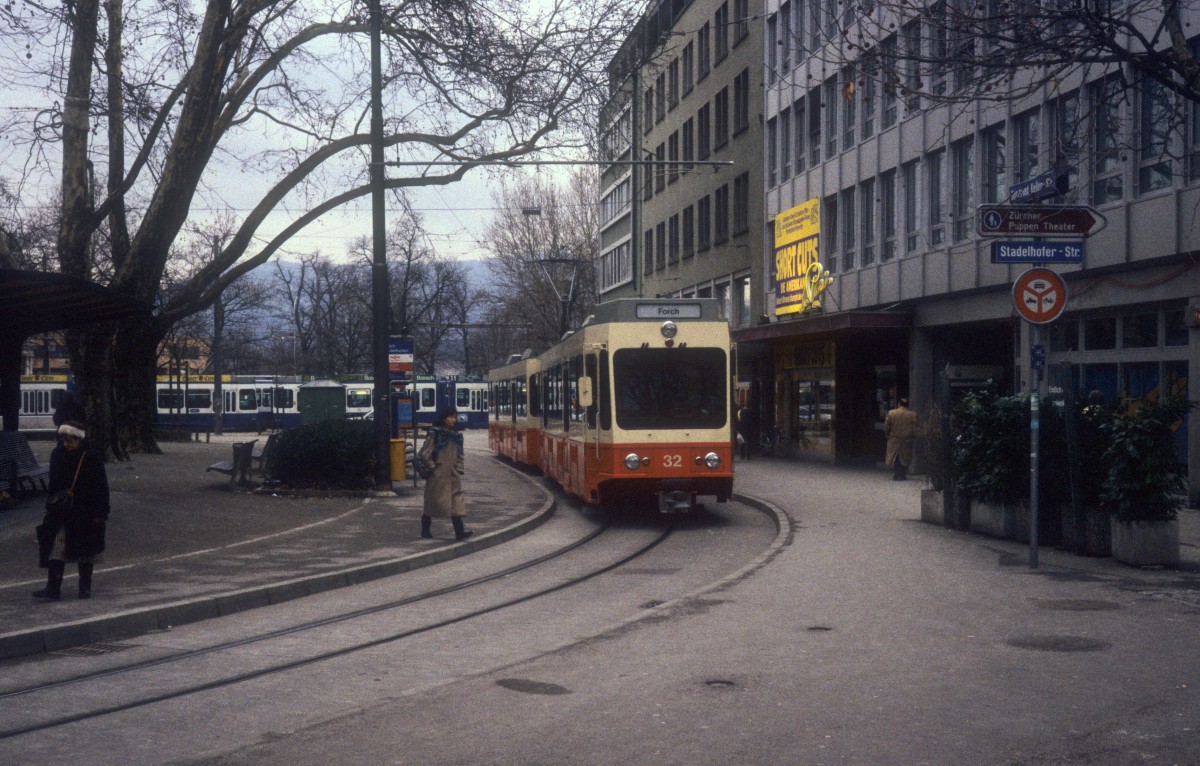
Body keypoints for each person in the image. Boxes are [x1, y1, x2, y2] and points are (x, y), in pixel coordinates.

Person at [34, 421, 110, 600]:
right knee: (56, 548)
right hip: (62, 511)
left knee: (86, 553)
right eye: (64, 440)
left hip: (86, 512)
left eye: (70, 440)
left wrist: (100, 513)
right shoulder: (57, 455)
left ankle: (84, 588)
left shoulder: (91, 457)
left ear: (79, 440)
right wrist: (50, 506)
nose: (66, 444)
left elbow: (101, 487)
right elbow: (53, 484)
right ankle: (53, 588)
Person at [418, 404, 472, 541]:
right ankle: (425, 529)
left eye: (455, 417)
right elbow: (425, 453)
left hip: (453, 473)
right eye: (450, 417)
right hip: (438, 474)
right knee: (432, 502)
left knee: (456, 503)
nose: (453, 420)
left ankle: (459, 532)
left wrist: (459, 468)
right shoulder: (435, 433)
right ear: (443, 419)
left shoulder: (457, 435)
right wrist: (433, 467)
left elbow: (460, 454)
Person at [884, 397, 919, 481]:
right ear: (907, 405)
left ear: (898, 404)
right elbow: (914, 428)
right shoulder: (912, 414)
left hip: (894, 439)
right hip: (907, 439)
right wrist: (913, 436)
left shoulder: (892, 413)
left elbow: (887, 426)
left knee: (896, 457)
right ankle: (903, 474)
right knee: (905, 457)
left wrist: (887, 434)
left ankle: (896, 474)